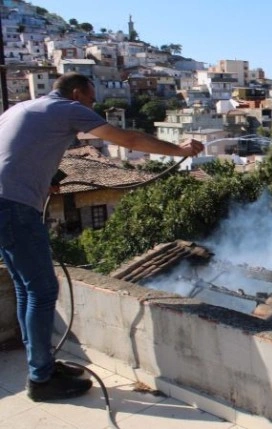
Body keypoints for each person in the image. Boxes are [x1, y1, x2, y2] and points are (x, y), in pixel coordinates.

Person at [0, 72, 204, 402]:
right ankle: (41, 379)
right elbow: (129, 140)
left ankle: (42, 365)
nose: (94, 107)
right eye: (92, 99)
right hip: (14, 207)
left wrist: (48, 175)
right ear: (78, 93)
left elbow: (16, 150)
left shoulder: (23, 108)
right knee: (42, 288)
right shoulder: (68, 108)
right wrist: (178, 149)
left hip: (6, 205)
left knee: (26, 287)